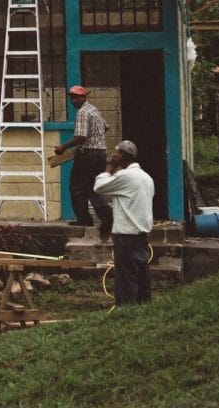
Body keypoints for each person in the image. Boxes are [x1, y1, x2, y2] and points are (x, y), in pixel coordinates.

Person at [93, 140, 156, 305]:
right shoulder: (147, 177)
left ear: (121, 156)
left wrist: (108, 169)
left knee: (126, 280)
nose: (113, 155)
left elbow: (99, 187)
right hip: (141, 235)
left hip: (126, 236)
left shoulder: (125, 176)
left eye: (116, 153)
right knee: (141, 276)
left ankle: (126, 312)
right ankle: (144, 308)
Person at [53, 85, 113, 237]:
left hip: (87, 154)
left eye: (77, 97)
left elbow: (81, 137)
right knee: (94, 186)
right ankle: (108, 218)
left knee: (77, 186)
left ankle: (84, 219)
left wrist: (63, 148)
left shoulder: (82, 112)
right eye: (72, 97)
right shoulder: (94, 110)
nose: (74, 100)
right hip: (101, 153)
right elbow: (106, 127)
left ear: (84, 97)